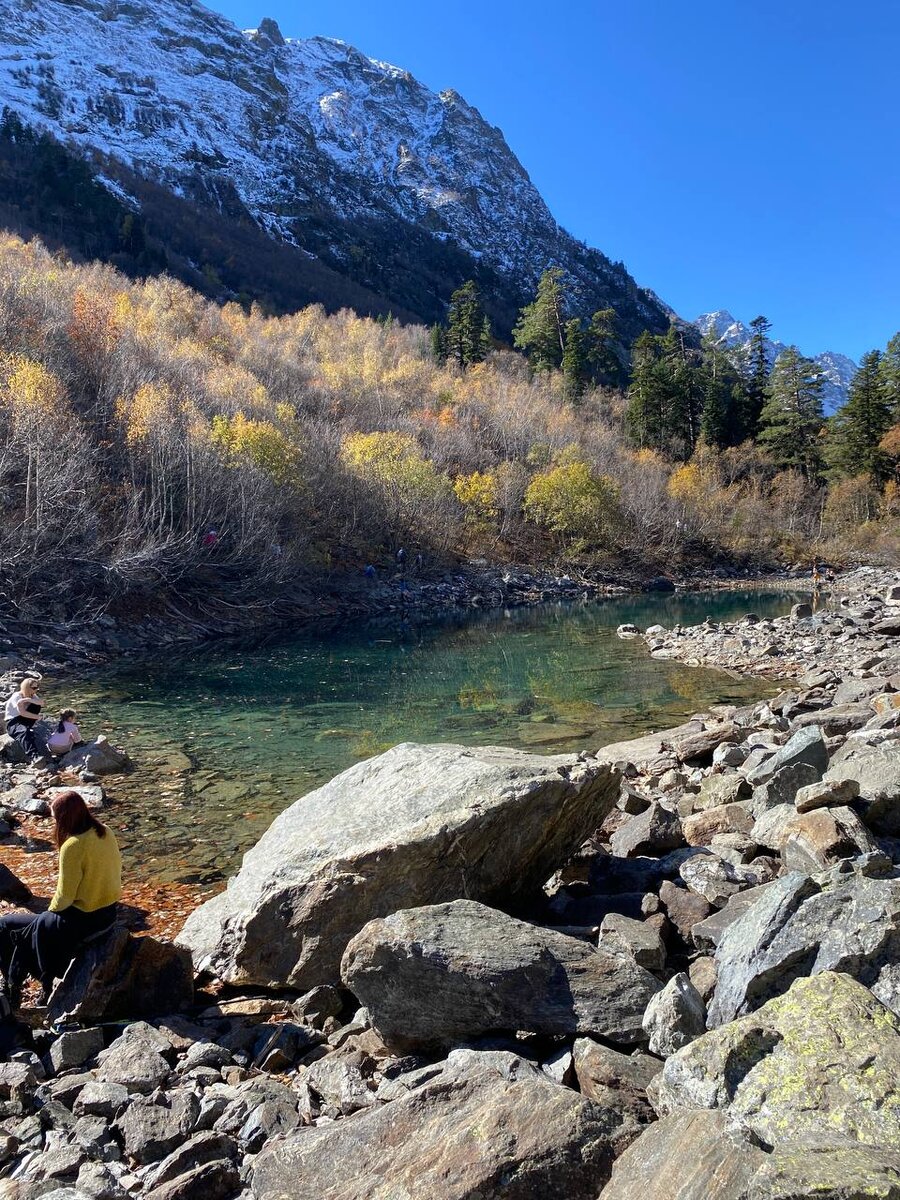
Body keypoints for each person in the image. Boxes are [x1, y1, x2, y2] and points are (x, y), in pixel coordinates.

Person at [0, 791, 122, 1008]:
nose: (53, 823)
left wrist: (48, 912)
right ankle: (23, 984)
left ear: (64, 819)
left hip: (83, 920)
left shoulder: (73, 846)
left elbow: (65, 897)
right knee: (31, 928)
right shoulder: (105, 832)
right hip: (109, 914)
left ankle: (18, 988)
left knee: (8, 926)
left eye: (55, 818)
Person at [4, 676, 46, 761]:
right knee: (24, 732)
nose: (36, 689)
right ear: (27, 687)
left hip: (25, 720)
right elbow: (22, 712)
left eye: (37, 687)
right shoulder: (16, 696)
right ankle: (34, 756)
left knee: (36, 705)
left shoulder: (32, 695)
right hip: (14, 722)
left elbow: (42, 703)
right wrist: (38, 717)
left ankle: (28, 727)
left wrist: (28, 699)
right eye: (34, 688)